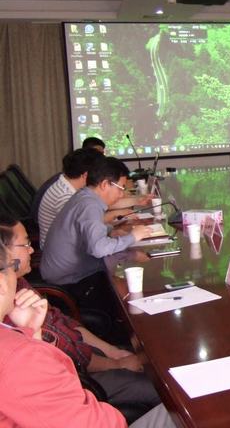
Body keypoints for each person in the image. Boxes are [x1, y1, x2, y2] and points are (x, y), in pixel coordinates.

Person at [0, 240, 176, 428]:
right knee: (178, 402)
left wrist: (34, 335)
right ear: (2, 283)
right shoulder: (18, 357)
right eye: (13, 266)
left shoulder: (19, 345)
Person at [40, 157, 152, 316]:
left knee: (123, 274)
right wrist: (133, 236)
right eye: (120, 188)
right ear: (105, 184)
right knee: (130, 297)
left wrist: (110, 232)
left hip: (69, 272)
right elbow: (98, 249)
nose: (121, 195)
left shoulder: (84, 196)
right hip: (70, 282)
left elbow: (85, 231)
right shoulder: (90, 205)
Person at [38, 148, 104, 248]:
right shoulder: (64, 196)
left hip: (68, 242)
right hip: (60, 250)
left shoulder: (67, 183)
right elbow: (87, 228)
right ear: (86, 175)